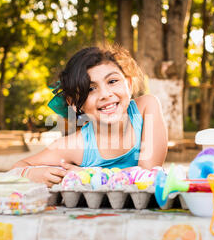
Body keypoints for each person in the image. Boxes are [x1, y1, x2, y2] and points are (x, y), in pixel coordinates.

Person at [12, 44, 168, 187]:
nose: (105, 94)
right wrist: (31, 173)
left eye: (112, 81)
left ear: (128, 84)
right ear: (73, 102)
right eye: (90, 89)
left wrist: (89, 174)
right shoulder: (75, 146)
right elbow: (15, 168)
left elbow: (148, 175)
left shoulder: (147, 108)